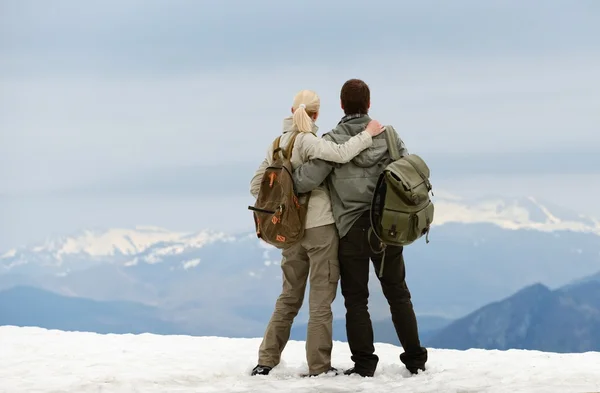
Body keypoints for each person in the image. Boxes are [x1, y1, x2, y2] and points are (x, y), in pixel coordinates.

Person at [291, 79, 428, 377]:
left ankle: (365, 364)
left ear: (341, 105)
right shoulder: (388, 135)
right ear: (368, 103)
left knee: (356, 300)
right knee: (397, 292)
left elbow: (304, 181)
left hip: (351, 227)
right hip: (387, 225)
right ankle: (415, 359)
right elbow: (405, 171)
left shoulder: (331, 140)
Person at [249, 89, 385, 377]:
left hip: (289, 231)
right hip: (320, 228)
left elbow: (256, 186)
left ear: (291, 109)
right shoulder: (308, 141)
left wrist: (285, 205)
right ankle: (319, 367)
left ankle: (266, 360)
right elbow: (340, 153)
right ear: (317, 114)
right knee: (320, 302)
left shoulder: (277, 144)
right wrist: (368, 134)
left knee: (288, 297)